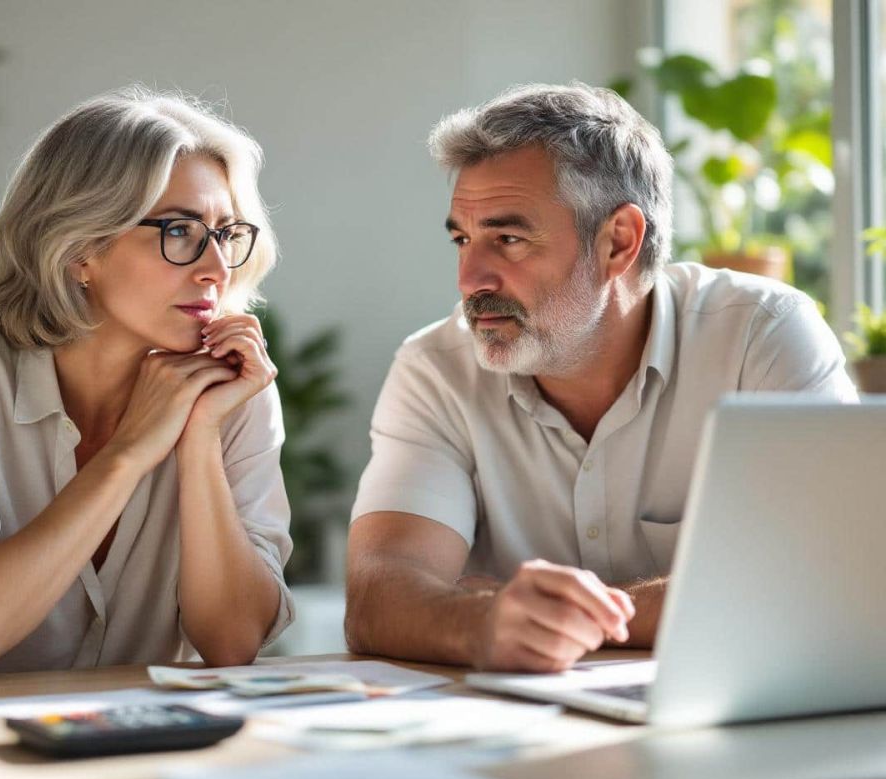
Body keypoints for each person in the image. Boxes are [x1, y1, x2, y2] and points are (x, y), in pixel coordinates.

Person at [344, 83, 857, 674]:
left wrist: (545, 618)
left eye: (508, 239)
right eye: (463, 239)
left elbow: (828, 571)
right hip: (524, 723)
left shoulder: (761, 336)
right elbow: (378, 598)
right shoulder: (434, 368)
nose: (470, 278)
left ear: (619, 242)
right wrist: (480, 623)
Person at [0, 88, 293, 684]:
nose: (215, 269)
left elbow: (232, 644)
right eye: (181, 231)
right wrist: (127, 454)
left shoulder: (232, 392)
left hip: (117, 733)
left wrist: (200, 438)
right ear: (81, 248)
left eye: (227, 234)